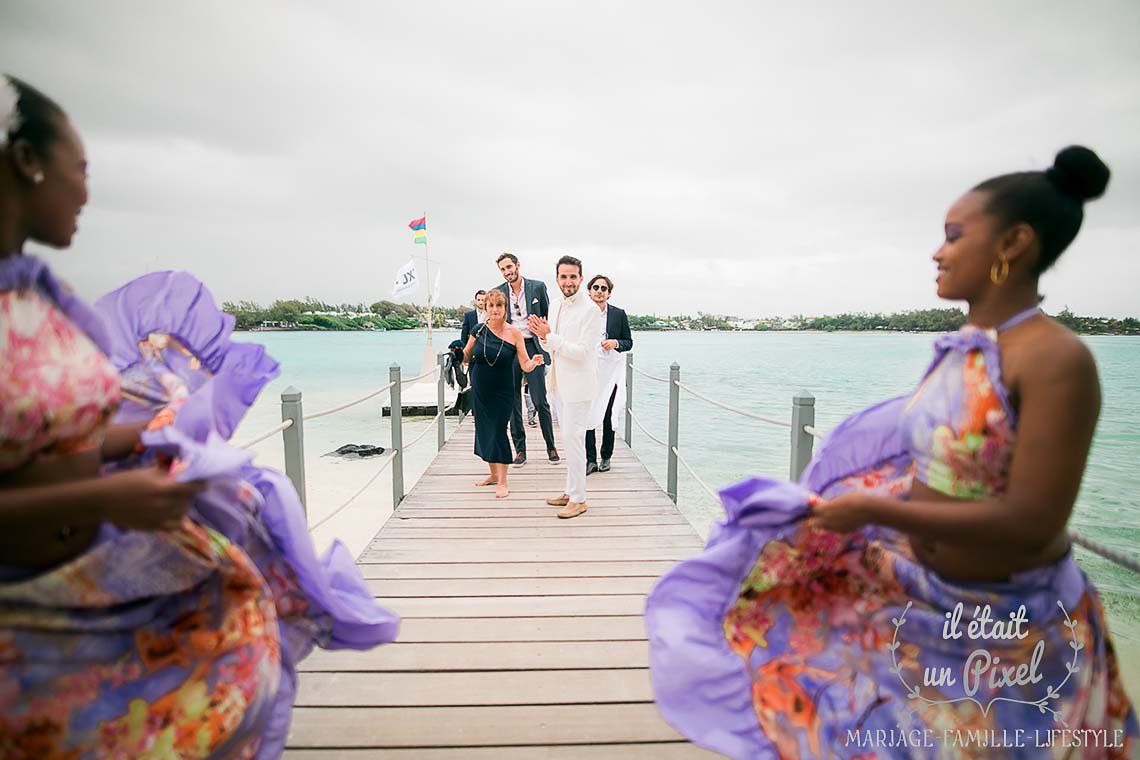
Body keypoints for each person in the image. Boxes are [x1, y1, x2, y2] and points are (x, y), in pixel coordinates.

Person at [645, 146, 1137, 758]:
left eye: (955, 236)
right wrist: (838, 505)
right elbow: (945, 470)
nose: (938, 251)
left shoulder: (1056, 359)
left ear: (1013, 244)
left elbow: (1031, 520)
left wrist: (874, 515)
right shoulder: (965, 349)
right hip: (926, 599)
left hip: (1009, 624)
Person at [0, 75, 398, 758]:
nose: (89, 193)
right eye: (83, 168)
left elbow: (55, 436)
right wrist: (109, 495)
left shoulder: (43, 298)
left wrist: (157, 434)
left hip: (98, 586)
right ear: (29, 161)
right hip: (37, 630)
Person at [529, 255, 603, 519]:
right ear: (557, 278)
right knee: (567, 440)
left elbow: (582, 352)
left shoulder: (591, 311)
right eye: (564, 276)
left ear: (581, 278)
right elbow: (552, 347)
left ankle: (580, 499)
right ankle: (570, 490)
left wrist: (549, 336)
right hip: (558, 384)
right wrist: (544, 337)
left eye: (573, 276)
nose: (568, 281)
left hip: (580, 387)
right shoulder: (556, 305)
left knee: (574, 442)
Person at [464, 289, 543, 498]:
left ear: (505, 308)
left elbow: (524, 364)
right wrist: (456, 351)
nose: (495, 309)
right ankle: (492, 474)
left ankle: (503, 481)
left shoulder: (514, 333)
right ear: (486, 308)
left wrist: (534, 363)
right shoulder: (478, 330)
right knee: (484, 430)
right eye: (491, 306)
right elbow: (465, 357)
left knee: (498, 431)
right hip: (480, 390)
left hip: (503, 391)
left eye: (499, 305)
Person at [494, 252, 558, 465]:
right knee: (512, 401)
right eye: (503, 269)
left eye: (509, 267)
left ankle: (551, 446)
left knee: (540, 400)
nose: (507, 272)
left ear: (517, 265)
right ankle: (520, 450)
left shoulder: (537, 287)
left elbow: (549, 317)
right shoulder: (499, 292)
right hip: (510, 349)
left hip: (533, 347)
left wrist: (547, 339)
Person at [584, 274, 632, 474]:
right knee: (588, 414)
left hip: (611, 371)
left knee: (607, 414)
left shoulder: (618, 314)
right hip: (588, 370)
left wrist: (616, 343)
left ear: (609, 293)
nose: (599, 291)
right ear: (589, 291)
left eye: (603, 288)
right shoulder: (583, 313)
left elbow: (628, 341)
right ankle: (590, 459)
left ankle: (606, 456)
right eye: (595, 287)